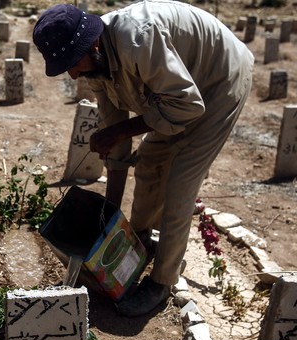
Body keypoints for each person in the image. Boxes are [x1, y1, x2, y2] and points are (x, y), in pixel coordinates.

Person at [33, 0, 254, 316]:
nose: (72, 73)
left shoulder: (137, 40)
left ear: (91, 43)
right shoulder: (94, 65)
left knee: (179, 184)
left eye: (72, 61)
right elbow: (117, 141)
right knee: (150, 162)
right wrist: (109, 222)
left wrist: (118, 132)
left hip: (219, 80)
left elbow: (187, 107)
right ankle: (139, 240)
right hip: (177, 92)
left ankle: (162, 281)